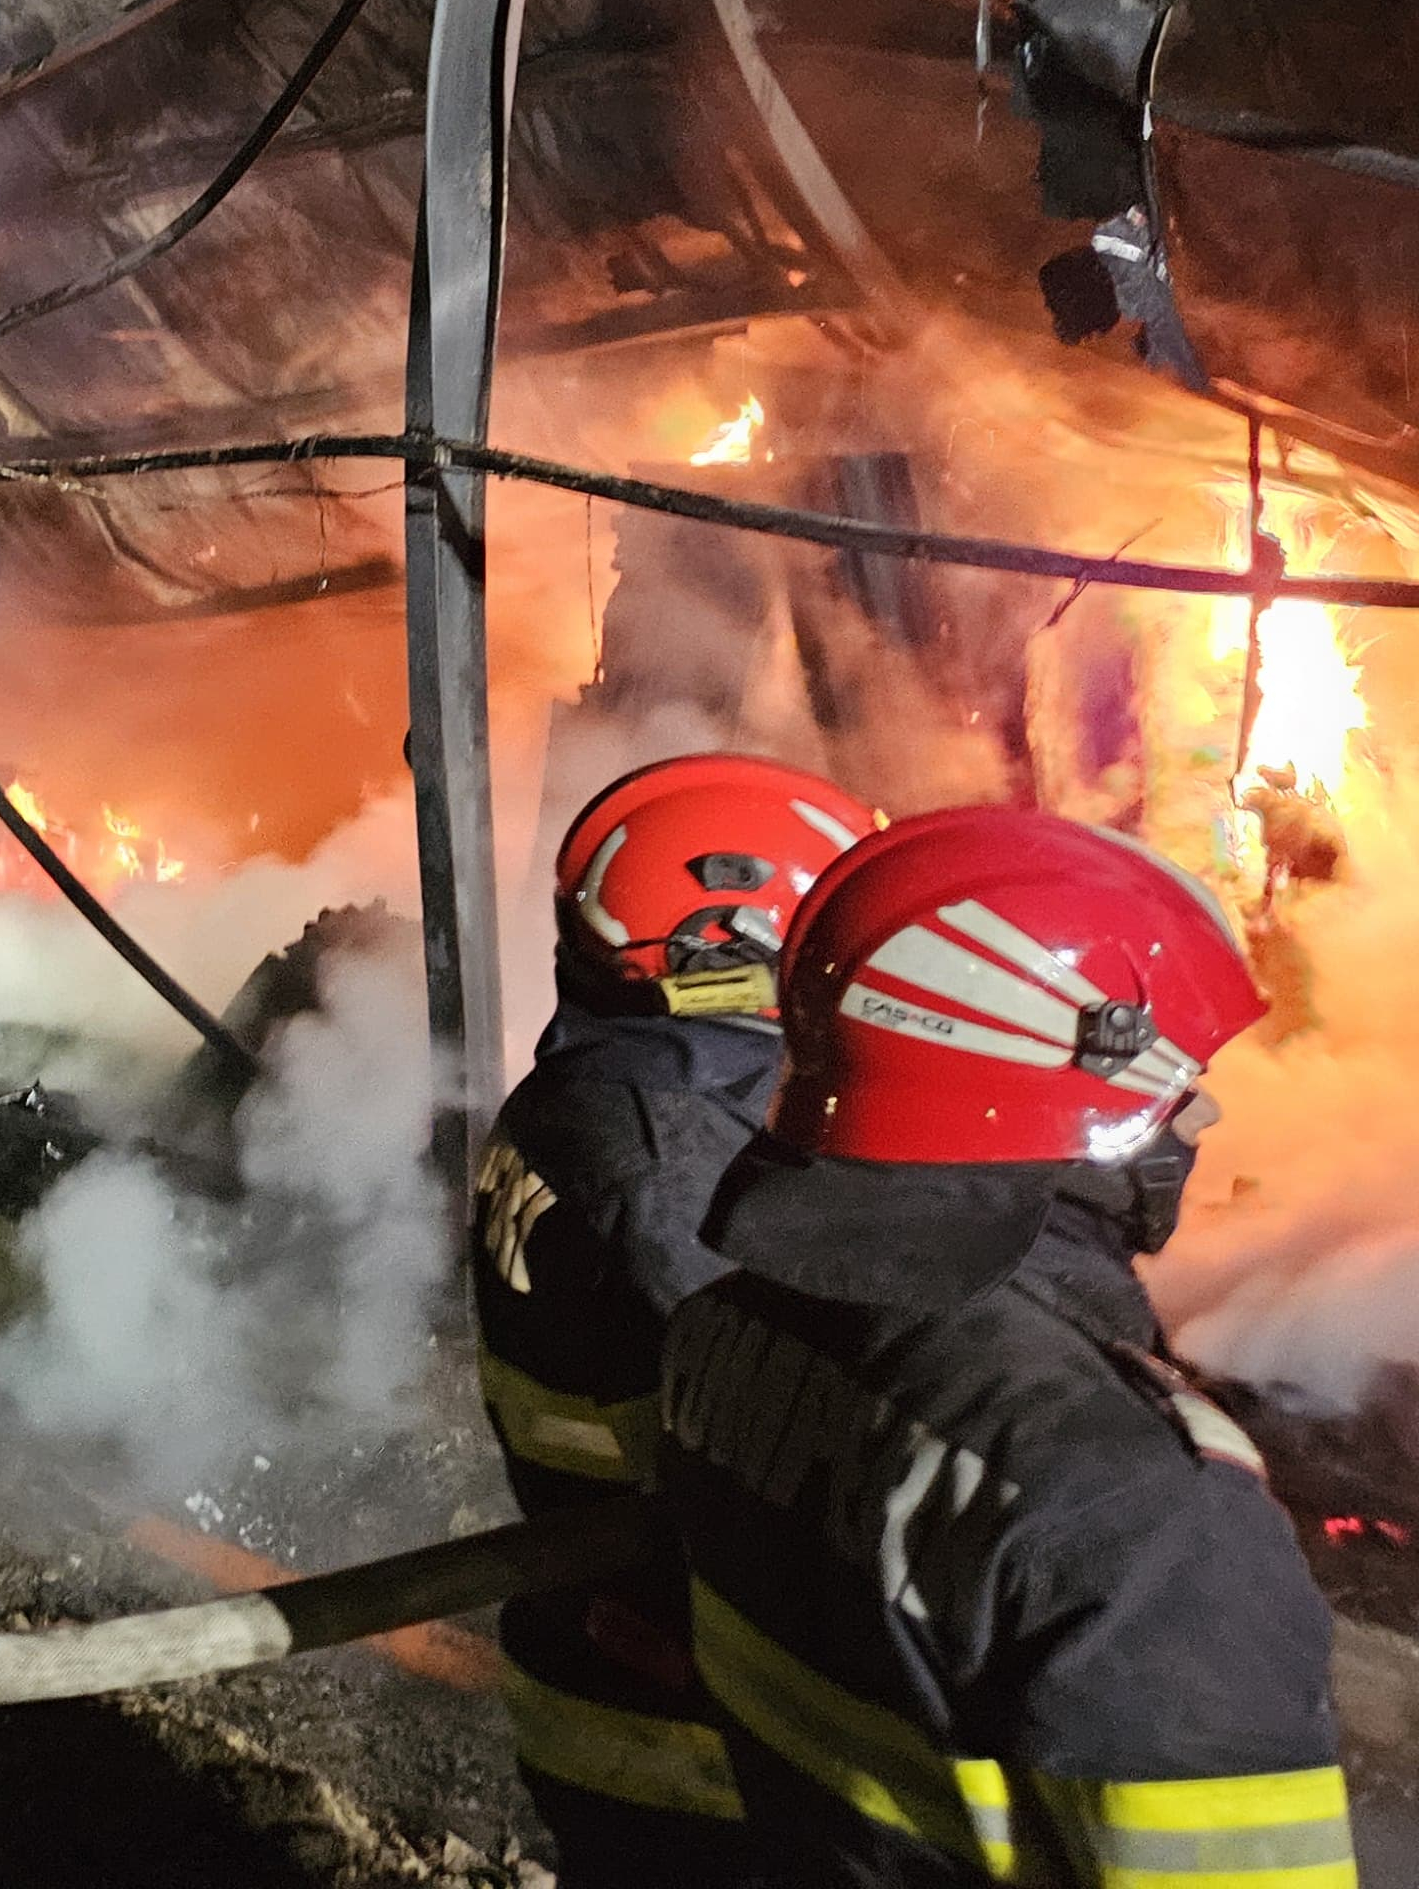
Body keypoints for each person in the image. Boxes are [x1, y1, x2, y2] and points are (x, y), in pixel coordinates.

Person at [659, 807, 1353, 1889]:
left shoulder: (724, 1322)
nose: (1201, 1118)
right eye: (1173, 1089)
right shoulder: (1145, 1515)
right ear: (1055, 1075)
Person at [470, 751, 881, 1885]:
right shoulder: (670, 1180)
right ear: (719, 958)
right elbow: (774, 1450)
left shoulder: (596, 1093)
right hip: (681, 1729)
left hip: (609, 1659)